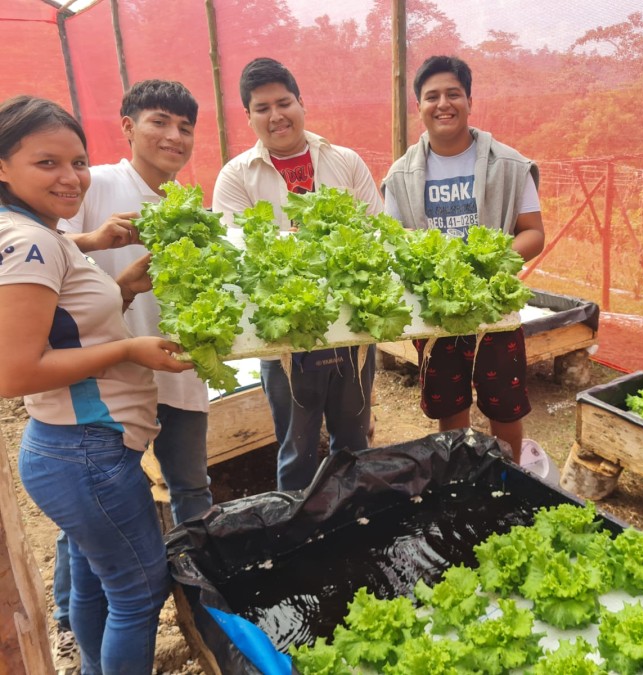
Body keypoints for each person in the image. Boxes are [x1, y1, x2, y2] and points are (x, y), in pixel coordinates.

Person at [0, 95, 193, 674]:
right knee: (137, 593)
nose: (72, 177)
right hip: (85, 448)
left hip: (69, 445)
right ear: (3, 167)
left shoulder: (37, 233)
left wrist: (124, 285)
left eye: (78, 161)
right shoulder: (29, 243)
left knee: (93, 582)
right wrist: (131, 348)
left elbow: (68, 323)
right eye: (47, 163)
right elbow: (15, 371)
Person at [52, 79, 211, 671]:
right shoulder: (93, 186)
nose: (174, 136)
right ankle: (70, 617)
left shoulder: (184, 205)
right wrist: (100, 251)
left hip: (176, 374)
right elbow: (51, 262)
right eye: (159, 122)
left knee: (192, 488)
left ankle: (204, 597)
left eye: (185, 127)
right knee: (94, 518)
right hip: (108, 382)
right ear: (126, 125)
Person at [212, 57, 382, 491]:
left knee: (354, 440)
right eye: (262, 107)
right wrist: (322, 244)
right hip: (282, 340)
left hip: (350, 327)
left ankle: (356, 517)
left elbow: (378, 233)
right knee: (296, 447)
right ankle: (297, 530)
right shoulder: (236, 177)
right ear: (249, 116)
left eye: (284, 102)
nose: (276, 115)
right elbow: (238, 257)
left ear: (301, 103)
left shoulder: (344, 161)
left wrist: (286, 244)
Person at [382, 55, 545, 463]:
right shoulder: (401, 176)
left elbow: (533, 232)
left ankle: (509, 474)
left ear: (469, 100)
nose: (443, 104)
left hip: (495, 307)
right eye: (431, 96)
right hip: (437, 314)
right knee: (448, 402)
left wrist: (483, 260)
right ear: (418, 107)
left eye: (453, 93)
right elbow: (393, 241)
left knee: (504, 402)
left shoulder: (508, 164)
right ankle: (460, 473)